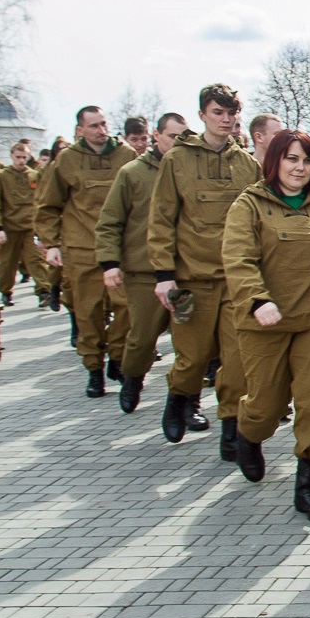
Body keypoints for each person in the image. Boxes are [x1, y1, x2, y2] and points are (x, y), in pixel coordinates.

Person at [223, 130, 310, 523]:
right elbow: (238, 259)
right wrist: (257, 300)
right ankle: (249, 435)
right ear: (275, 162)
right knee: (266, 405)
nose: (299, 168)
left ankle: (308, 485)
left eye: (307, 161)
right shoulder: (249, 205)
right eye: (291, 159)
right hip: (264, 323)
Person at [149, 83, 261, 457]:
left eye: (232, 113)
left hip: (236, 282)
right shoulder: (177, 160)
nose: (226, 120)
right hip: (190, 280)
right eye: (218, 112)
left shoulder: (247, 164)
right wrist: (164, 276)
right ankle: (179, 395)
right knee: (192, 356)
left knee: (237, 361)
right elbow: (162, 218)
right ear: (202, 115)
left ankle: (232, 426)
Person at [36, 106, 138, 397]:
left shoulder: (126, 155)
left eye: (103, 124)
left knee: (127, 308)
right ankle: (94, 369)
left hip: (120, 248)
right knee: (88, 312)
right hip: (82, 247)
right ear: (80, 130)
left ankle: (117, 357)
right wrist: (52, 244)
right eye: (93, 126)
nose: (100, 130)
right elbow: (47, 206)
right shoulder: (67, 160)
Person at [97, 114, 184, 414]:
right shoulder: (132, 173)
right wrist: (110, 263)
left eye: (183, 137)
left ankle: (186, 401)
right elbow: (110, 221)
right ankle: (132, 377)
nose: (178, 143)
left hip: (186, 272)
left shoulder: (189, 170)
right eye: (173, 136)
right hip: (144, 271)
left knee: (190, 344)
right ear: (157, 136)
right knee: (143, 338)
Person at [0, 142, 49, 308]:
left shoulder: (34, 175)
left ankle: (44, 290)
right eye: (18, 157)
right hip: (10, 226)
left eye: (24, 157)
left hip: (30, 226)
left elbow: (41, 201)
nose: (21, 161)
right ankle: (6, 291)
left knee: (36, 259)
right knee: (8, 262)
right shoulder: (1, 177)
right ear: (11, 156)